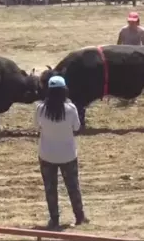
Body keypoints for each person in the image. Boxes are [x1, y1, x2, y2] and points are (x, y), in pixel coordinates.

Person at [34, 75, 89, 230]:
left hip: (46, 155)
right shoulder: (70, 109)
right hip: (68, 155)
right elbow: (77, 127)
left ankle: (54, 219)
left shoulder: (40, 109)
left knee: (50, 188)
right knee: (73, 185)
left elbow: (37, 127)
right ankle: (79, 216)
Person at [116, 11, 144, 107]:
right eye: (130, 21)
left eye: (133, 22)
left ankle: (134, 97)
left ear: (138, 22)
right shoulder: (123, 31)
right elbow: (118, 44)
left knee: (135, 77)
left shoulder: (142, 32)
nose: (131, 23)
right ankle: (123, 95)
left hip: (136, 56)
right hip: (125, 55)